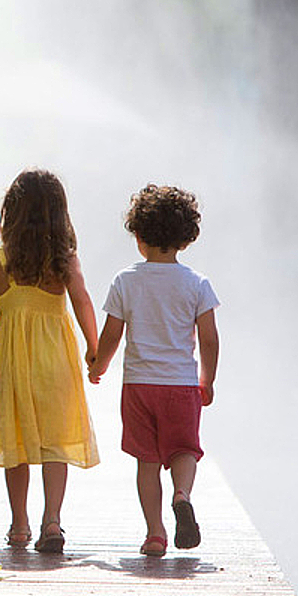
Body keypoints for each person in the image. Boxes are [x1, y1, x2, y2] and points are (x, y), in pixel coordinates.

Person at [0, 169, 100, 553]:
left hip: (14, 365)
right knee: (55, 444)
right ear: (60, 215)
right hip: (56, 362)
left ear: (11, 212)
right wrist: (95, 351)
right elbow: (83, 304)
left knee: (17, 441)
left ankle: (19, 525)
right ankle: (53, 521)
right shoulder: (65, 261)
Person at [86, 184, 220, 557]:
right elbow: (209, 339)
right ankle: (182, 494)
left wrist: (99, 365)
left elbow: (112, 334)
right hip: (180, 385)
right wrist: (207, 378)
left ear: (139, 235)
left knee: (146, 462)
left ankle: (155, 533)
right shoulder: (197, 284)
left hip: (139, 386)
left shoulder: (126, 281)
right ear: (185, 238)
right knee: (184, 451)